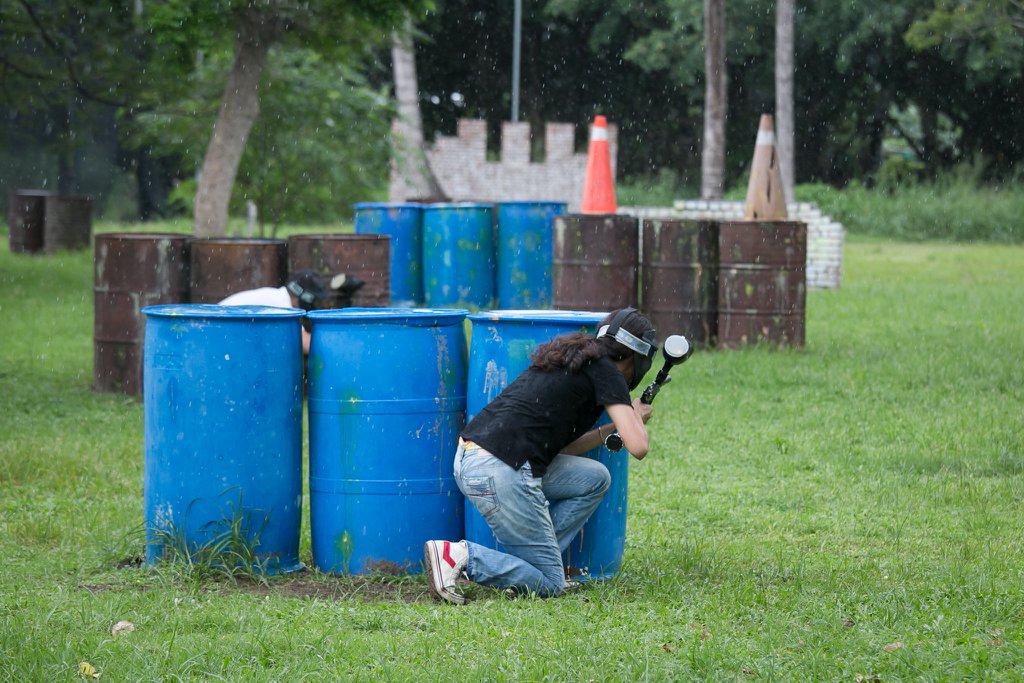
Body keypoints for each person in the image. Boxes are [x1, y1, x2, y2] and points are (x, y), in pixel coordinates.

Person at [424, 307, 658, 604]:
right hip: (502, 469)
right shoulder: (609, 371)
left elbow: (561, 449)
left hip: (475, 459)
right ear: (634, 357)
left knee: (595, 478)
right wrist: (636, 418)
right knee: (549, 584)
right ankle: (461, 556)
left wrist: (611, 429)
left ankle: (526, 573)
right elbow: (639, 447)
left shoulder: (577, 357)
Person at [218, 270, 363, 354]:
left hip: (217, 335)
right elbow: (307, 344)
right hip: (219, 338)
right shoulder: (280, 306)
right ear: (306, 298)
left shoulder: (275, 297)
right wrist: (344, 347)